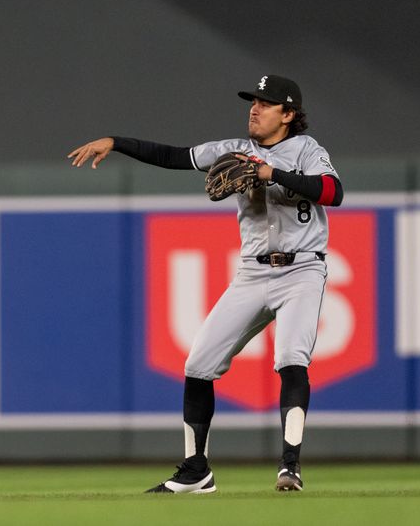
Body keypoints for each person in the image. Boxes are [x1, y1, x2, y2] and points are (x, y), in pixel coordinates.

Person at [68, 75, 343, 492]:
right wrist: (116, 141)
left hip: (301, 269)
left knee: (291, 358)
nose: (254, 108)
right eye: (253, 101)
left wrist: (272, 173)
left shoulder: (307, 150)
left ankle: (290, 466)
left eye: (266, 103)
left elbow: (332, 192)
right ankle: (197, 471)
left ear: (288, 115)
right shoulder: (232, 151)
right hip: (252, 272)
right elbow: (175, 156)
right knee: (198, 364)